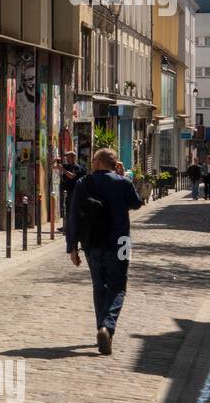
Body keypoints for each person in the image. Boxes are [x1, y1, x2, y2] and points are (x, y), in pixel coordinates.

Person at [67, 148, 145, 356]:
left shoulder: (84, 183)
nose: (91, 163)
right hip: (120, 242)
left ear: (100, 162)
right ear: (114, 164)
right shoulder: (122, 183)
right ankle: (107, 326)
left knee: (99, 286)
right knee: (118, 286)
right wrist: (124, 178)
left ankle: (101, 327)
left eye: (94, 160)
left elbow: (73, 215)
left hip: (92, 243)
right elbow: (137, 203)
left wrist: (72, 247)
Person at [58, 151, 86, 232]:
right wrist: (55, 161)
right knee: (67, 209)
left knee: (71, 209)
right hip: (68, 191)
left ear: (73, 157)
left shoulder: (77, 167)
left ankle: (72, 227)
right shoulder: (67, 166)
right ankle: (66, 226)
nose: (67, 159)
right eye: (66, 157)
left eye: (68, 157)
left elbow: (71, 176)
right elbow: (54, 167)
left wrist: (62, 169)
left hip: (74, 191)